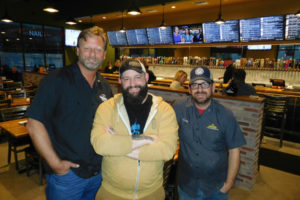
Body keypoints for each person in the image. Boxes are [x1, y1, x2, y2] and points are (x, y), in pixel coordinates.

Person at [25, 26, 113, 200]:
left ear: (104, 54)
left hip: (98, 174)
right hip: (68, 176)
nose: (92, 54)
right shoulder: (56, 80)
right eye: (87, 48)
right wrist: (55, 164)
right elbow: (34, 124)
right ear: (78, 51)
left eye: (98, 50)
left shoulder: (105, 86)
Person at [90, 59, 178, 200]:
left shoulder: (165, 110)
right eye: (126, 78)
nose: (133, 84)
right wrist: (147, 139)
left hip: (152, 194)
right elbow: (100, 145)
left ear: (146, 77)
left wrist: (117, 144)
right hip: (111, 194)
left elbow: (167, 150)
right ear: (120, 80)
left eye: (138, 77)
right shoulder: (106, 108)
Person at [174, 66, 246, 200]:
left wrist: (229, 183)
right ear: (189, 89)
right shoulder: (179, 108)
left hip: (216, 187)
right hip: (187, 185)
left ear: (213, 87)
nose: (200, 89)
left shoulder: (225, 115)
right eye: (195, 85)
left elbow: (235, 151)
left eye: (205, 84)